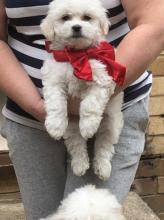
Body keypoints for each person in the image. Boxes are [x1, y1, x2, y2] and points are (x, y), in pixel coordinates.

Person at [0, 0, 164, 219]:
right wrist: (38, 107)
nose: (76, 25)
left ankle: (100, 156)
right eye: (66, 19)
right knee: (42, 215)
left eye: (86, 19)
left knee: (91, 213)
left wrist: (92, 106)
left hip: (112, 109)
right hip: (27, 116)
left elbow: (155, 22)